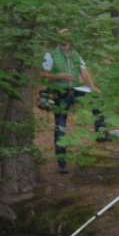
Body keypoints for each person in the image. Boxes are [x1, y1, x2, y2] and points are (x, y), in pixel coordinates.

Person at [41, 28, 106, 174]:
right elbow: (42, 74)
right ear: (58, 39)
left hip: (76, 89)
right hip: (59, 91)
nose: (66, 42)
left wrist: (93, 87)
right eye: (63, 38)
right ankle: (62, 162)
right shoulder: (51, 55)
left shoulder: (75, 54)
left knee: (96, 98)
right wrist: (60, 76)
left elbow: (84, 72)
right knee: (61, 125)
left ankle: (101, 132)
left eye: (68, 39)